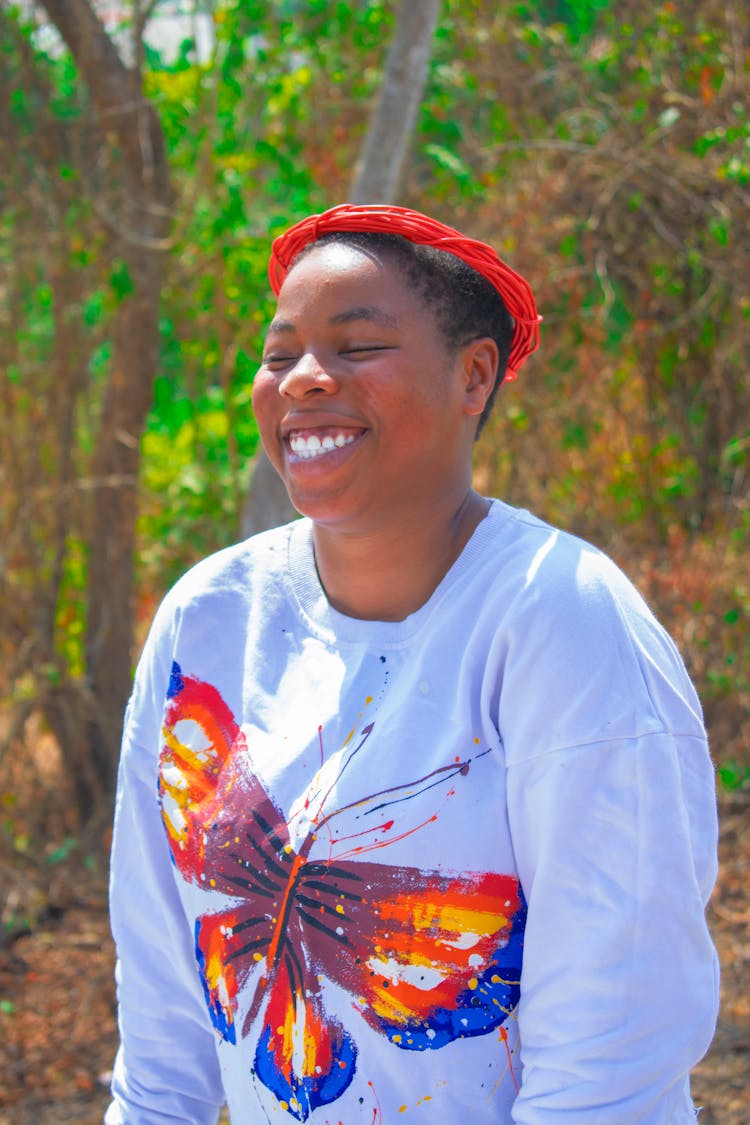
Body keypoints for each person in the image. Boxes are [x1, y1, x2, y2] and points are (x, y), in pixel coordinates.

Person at [106, 204, 719, 1124]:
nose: (305, 380)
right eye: (280, 356)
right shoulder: (209, 618)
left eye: (356, 347)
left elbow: (611, 1059)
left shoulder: (559, 620)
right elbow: (163, 1027)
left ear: (474, 376)